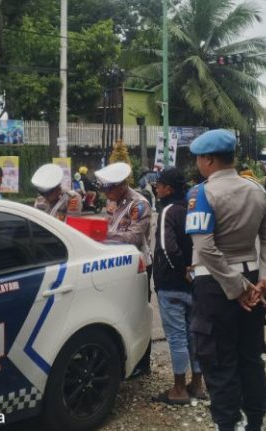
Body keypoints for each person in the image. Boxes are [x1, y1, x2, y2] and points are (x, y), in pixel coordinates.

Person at [186, 129, 266, 431]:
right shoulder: (256, 189)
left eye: (200, 158)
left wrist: (236, 288)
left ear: (209, 159)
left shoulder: (200, 194)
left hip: (216, 286)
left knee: (219, 360)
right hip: (255, 281)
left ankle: (227, 425)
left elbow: (205, 248)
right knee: (250, 357)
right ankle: (255, 423)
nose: (199, 164)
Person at [150, 167, 206, 405]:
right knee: (194, 334)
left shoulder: (168, 212)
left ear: (168, 189)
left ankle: (179, 388)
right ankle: (198, 384)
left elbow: (166, 246)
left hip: (173, 284)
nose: (156, 188)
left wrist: (181, 269)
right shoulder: (190, 210)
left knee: (176, 337)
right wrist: (192, 270)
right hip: (194, 282)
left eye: (159, 185)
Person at [95, 161, 153, 375]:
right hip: (115, 264)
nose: (104, 193)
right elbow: (108, 224)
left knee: (138, 313)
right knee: (119, 313)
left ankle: (143, 363)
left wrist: (103, 234)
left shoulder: (139, 204)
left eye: (107, 188)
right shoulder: (113, 202)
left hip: (138, 265)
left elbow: (135, 238)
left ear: (121, 186)